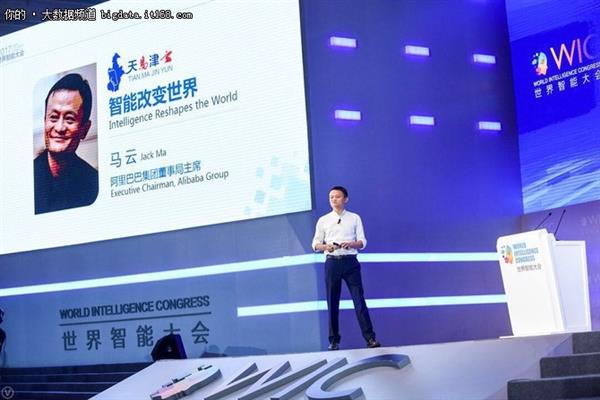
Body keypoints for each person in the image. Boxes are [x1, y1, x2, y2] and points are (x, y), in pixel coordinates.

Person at [312, 186, 380, 350]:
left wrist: (351, 244)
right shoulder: (323, 220)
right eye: (331, 197)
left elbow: (362, 242)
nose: (334, 199)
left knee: (359, 301)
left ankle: (370, 338)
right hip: (332, 262)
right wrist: (326, 247)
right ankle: (333, 341)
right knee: (332, 302)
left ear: (345, 199)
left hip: (350, 262)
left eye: (337, 196)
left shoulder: (354, 218)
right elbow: (315, 243)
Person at [34, 73, 98, 214]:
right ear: (45, 121)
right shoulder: (25, 178)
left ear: (85, 129)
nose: (59, 128)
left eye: (69, 119)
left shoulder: (94, 183)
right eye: (53, 117)